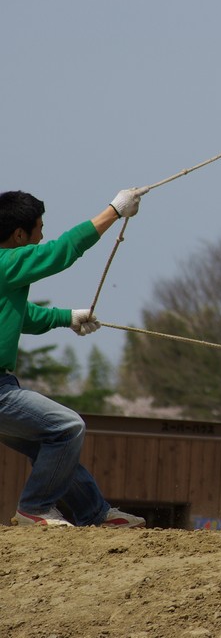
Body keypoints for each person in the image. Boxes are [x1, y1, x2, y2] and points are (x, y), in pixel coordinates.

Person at [0, 188, 148, 528]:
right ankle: (34, 508)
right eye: (38, 227)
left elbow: (22, 316)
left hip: (4, 384)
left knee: (49, 443)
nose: (42, 234)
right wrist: (113, 211)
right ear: (19, 234)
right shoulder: (7, 263)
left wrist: (67, 318)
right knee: (67, 427)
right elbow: (62, 252)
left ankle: (94, 514)